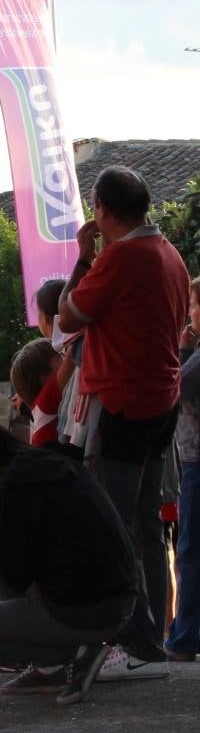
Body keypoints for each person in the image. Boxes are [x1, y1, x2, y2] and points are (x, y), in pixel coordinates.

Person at [58, 165, 189, 678]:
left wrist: (81, 260)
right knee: (148, 527)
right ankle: (151, 637)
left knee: (114, 526)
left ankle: (131, 639)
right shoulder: (170, 255)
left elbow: (68, 318)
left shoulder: (121, 257)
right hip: (162, 401)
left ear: (103, 210)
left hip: (122, 401)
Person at [0, 421, 137, 705]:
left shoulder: (11, 488)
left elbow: (18, 575)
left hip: (82, 611)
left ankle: (72, 656)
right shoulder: (61, 465)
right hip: (122, 601)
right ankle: (52, 666)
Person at [164, 276, 200, 662]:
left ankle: (186, 636)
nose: (188, 314)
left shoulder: (197, 358)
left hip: (197, 463)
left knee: (190, 552)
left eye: (191, 305)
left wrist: (184, 348)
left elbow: (174, 387)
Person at [10, 338, 74, 447]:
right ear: (44, 378)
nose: (63, 357)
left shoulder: (39, 408)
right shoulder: (45, 401)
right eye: (60, 357)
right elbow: (72, 354)